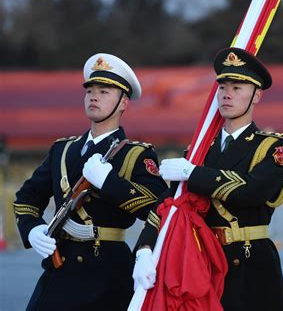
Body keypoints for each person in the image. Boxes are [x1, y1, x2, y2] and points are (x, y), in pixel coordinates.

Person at [133, 47, 283, 311]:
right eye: (223, 87)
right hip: (201, 262)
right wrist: (145, 248)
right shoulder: (198, 150)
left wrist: (191, 173)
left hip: (250, 262)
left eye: (238, 87)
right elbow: (169, 204)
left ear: (257, 96)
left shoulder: (272, 147)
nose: (227, 94)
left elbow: (251, 191)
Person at [13, 53, 168, 311]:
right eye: (90, 91)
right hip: (61, 267)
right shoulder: (62, 150)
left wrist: (109, 182)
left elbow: (156, 208)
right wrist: (32, 229)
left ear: (123, 103)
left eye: (105, 92)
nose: (94, 97)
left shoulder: (136, 154)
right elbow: (27, 198)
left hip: (107, 272)